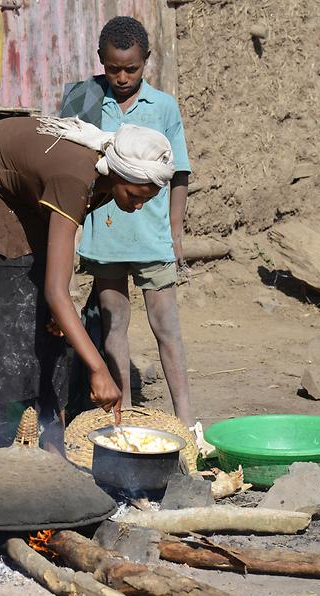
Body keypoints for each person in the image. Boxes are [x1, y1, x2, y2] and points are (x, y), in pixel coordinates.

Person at [0, 116, 175, 467]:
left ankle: (54, 454)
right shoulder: (74, 177)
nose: (138, 206)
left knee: (53, 329)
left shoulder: (106, 177)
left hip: (22, 200)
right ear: (120, 174)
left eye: (147, 200)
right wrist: (98, 367)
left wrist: (56, 306)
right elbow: (55, 290)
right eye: (136, 196)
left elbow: (56, 278)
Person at [61, 17, 196, 429]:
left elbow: (180, 174)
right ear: (100, 60)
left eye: (131, 69)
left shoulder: (164, 107)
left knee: (166, 328)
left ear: (146, 63)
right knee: (114, 327)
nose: (121, 77)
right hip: (105, 238)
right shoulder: (85, 100)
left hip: (152, 236)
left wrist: (175, 231)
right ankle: (125, 419)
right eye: (113, 68)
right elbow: (65, 163)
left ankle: (187, 422)